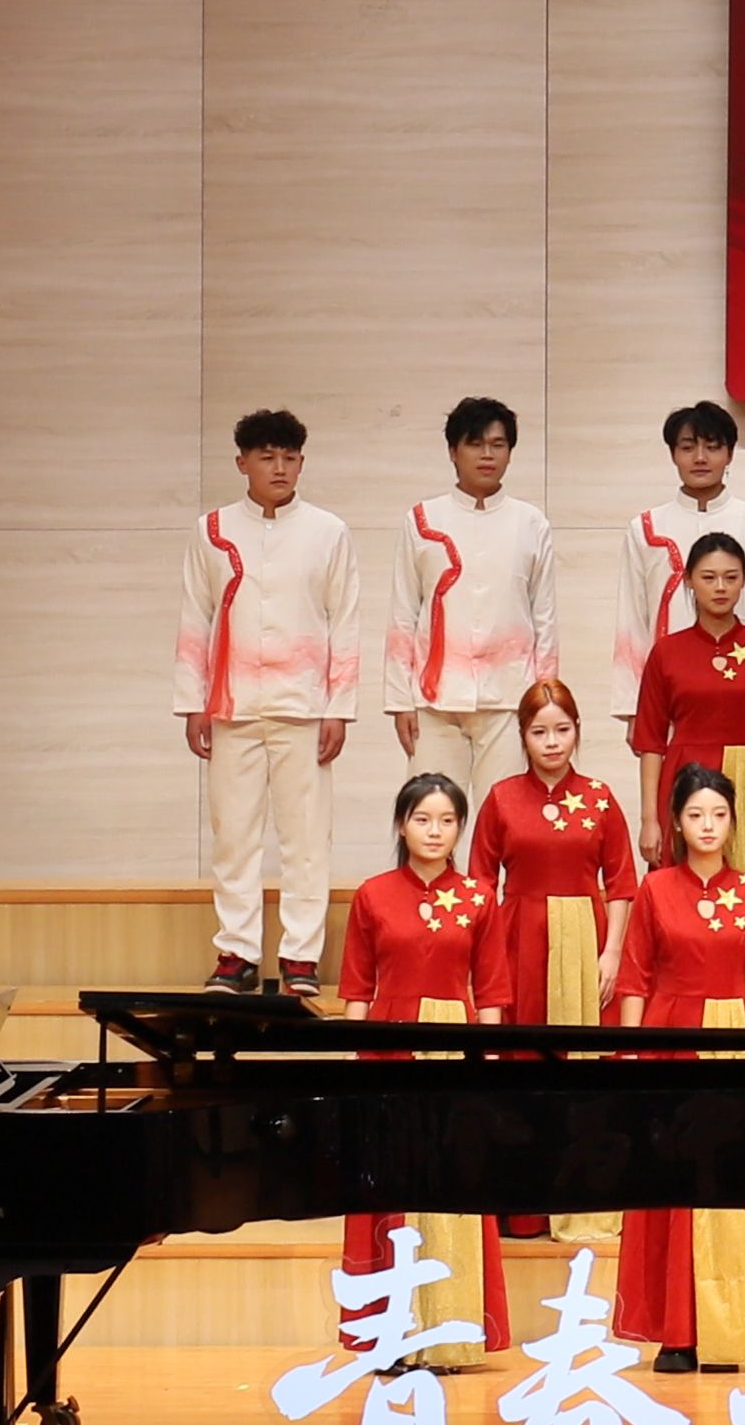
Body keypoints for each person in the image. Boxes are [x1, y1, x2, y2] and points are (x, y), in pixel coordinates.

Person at [608, 764, 745, 1370]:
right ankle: (676, 1332)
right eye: (696, 815)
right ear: (676, 823)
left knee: (731, 1177)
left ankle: (726, 1328)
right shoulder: (656, 889)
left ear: (734, 822)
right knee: (671, 1180)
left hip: (734, 1039)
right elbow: (634, 978)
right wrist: (632, 1059)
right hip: (670, 1040)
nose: (708, 825)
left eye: (719, 814)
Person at [177, 412, 367, 992]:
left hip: (304, 707)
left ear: (302, 462)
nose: (279, 468)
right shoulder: (211, 530)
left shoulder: (329, 531)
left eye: (289, 457)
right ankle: (235, 954)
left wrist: (338, 707)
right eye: (266, 457)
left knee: (306, 837)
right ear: (242, 463)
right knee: (233, 836)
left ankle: (300, 957)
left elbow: (345, 621)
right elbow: (195, 617)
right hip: (231, 706)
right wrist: (193, 702)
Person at [328, 775, 510, 1365]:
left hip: (455, 1047)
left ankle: (451, 1333)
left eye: (447, 821)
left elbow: (492, 991)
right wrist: (355, 1064)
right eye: (423, 820)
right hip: (389, 1047)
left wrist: (486, 1066)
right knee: (391, 1189)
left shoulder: (479, 897)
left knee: (451, 1183)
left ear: (460, 829)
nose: (435, 832)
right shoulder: (373, 895)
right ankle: (391, 1338)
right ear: (402, 825)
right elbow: (358, 989)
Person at [391, 398, 555, 806]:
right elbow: (403, 613)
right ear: (453, 451)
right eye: (475, 444)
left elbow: (545, 618)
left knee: (505, 814)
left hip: (510, 697)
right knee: (432, 812)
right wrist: (399, 701)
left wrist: (545, 700)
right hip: (434, 699)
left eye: (498, 445)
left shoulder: (531, 522)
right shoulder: (422, 520)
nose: (487, 455)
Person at [626, 529, 745, 894]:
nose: (720, 587)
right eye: (708, 577)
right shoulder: (666, 652)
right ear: (688, 581)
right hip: (682, 777)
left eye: (731, 577)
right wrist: (649, 818)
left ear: (744, 581)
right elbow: (651, 742)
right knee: (681, 895)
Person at [619, 401, 745, 762]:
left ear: (730, 454)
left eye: (712, 447)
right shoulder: (646, 528)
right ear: (672, 454)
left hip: (742, 694)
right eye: (687, 447)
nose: (700, 458)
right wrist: (635, 708)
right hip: (671, 695)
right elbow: (632, 619)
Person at [476, 677, 633, 1032]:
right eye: (539, 732)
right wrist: (486, 955)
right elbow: (481, 885)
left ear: (577, 729)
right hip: (518, 937)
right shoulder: (501, 798)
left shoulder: (599, 797)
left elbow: (621, 884)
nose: (552, 742)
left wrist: (612, 952)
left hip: (585, 934)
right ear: (523, 735)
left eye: (562, 730)